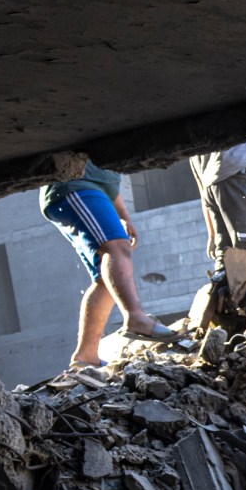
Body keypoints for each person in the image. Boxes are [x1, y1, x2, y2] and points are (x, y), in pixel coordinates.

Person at [38, 157, 176, 368]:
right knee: (117, 247)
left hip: (94, 191)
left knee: (107, 278)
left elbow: (109, 182)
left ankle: (86, 356)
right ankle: (136, 317)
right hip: (74, 187)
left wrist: (125, 217)